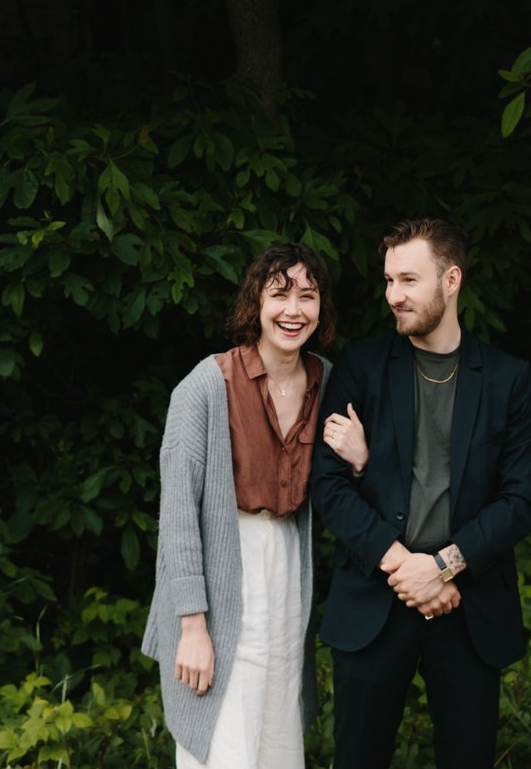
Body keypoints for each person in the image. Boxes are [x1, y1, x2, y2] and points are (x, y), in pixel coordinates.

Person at [309, 218, 531, 769]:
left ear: (452, 279)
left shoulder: (507, 379)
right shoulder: (362, 367)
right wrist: (404, 566)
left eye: (409, 280)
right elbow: (327, 485)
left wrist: (443, 566)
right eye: (388, 281)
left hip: (467, 606)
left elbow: (521, 497)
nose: (394, 296)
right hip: (374, 600)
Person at [145, 241, 370, 768]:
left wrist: (360, 460)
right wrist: (192, 628)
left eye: (308, 297)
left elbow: (349, 499)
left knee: (275, 732)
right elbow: (178, 519)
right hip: (222, 570)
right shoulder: (206, 385)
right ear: (256, 302)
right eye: (280, 294)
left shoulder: (329, 382)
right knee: (223, 735)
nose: (294, 311)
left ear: (322, 308)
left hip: (288, 570)